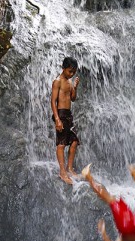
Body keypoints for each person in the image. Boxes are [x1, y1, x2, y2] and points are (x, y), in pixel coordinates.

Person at [51, 57, 80, 185]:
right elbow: (53, 101)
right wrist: (57, 119)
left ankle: (69, 168)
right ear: (63, 68)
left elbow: (73, 99)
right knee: (61, 144)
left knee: (74, 141)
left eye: (73, 72)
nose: (71, 74)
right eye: (69, 71)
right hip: (61, 114)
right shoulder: (57, 81)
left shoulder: (69, 81)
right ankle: (62, 172)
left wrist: (75, 87)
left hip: (69, 114)